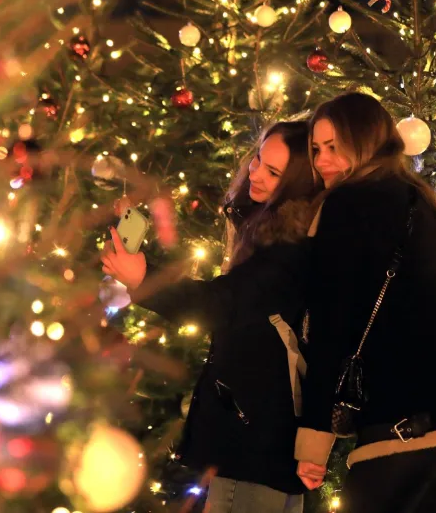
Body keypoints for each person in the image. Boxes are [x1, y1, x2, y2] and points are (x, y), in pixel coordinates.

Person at [101, 122, 319, 513]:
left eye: (273, 173)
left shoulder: (288, 249)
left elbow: (222, 303)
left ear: (298, 185)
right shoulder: (271, 234)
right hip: (265, 437)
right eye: (257, 160)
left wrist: (144, 279)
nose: (255, 173)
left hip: (253, 439)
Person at [294, 93, 436, 512]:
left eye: (334, 147)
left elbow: (333, 324)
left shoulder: (347, 204)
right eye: (316, 148)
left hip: (400, 419)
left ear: (366, 142)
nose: (322, 160)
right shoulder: (419, 199)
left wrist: (313, 439)